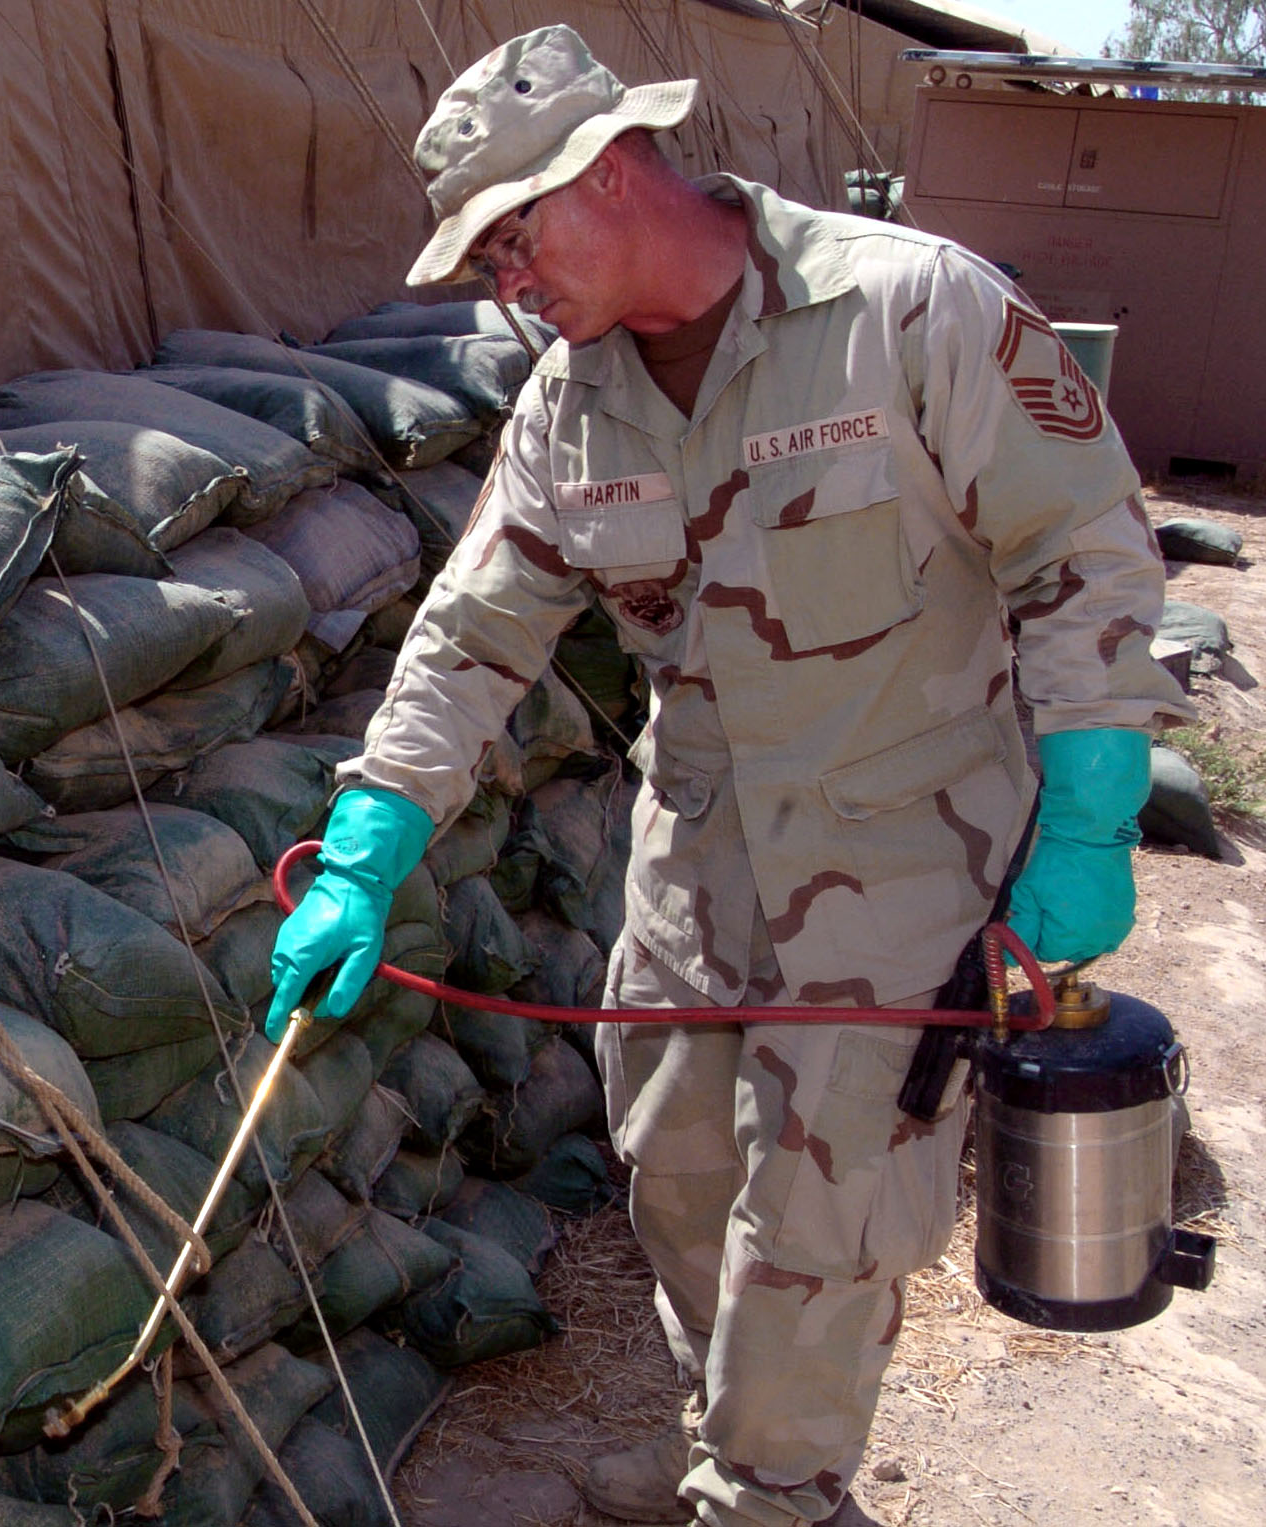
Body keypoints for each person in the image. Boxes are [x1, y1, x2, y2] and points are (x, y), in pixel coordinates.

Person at [265, 25, 1189, 1527]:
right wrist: (369, 840)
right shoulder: (570, 405)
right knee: (677, 1177)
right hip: (694, 854)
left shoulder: (905, 309)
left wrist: (1084, 821)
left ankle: (771, 1493)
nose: (504, 279)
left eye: (513, 235)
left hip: (909, 855)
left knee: (819, 1224)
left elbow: (1079, 551)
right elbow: (472, 634)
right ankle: (737, 1438)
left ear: (615, 168)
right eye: (482, 255)